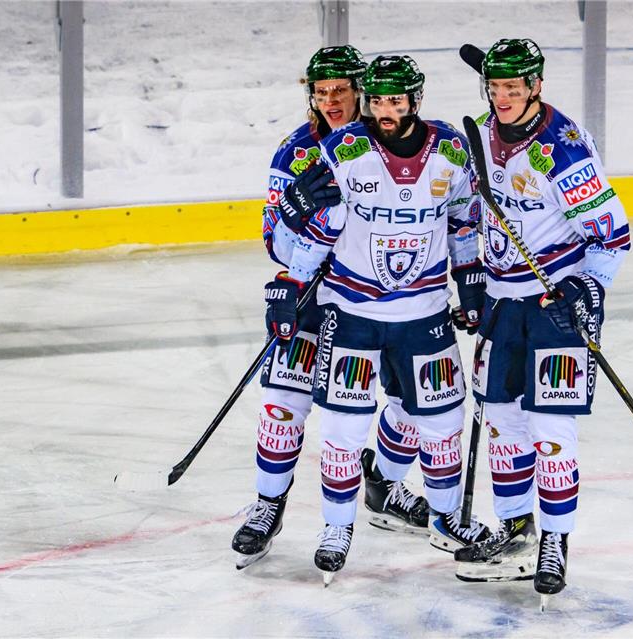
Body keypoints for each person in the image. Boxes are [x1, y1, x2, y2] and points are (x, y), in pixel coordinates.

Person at [278, 54, 491, 584]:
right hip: (351, 313)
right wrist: (290, 281)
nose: (385, 111)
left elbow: (465, 218)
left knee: (441, 422)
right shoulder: (342, 149)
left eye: (395, 101)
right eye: (376, 101)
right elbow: (315, 230)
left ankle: (447, 517)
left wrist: (470, 277)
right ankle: (336, 527)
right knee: (344, 428)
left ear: (415, 100)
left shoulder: (450, 150)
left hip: (423, 315)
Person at [231, 46, 428, 571]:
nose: (331, 101)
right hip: (314, 303)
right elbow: (275, 243)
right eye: (321, 93)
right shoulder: (295, 153)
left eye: (341, 90)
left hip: (385, 299)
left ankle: (384, 482)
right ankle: (267, 506)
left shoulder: (391, 141)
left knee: (414, 402)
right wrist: (295, 211)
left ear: (362, 90)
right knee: (281, 406)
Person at [451, 39, 631, 610]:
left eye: (513, 88)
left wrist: (585, 288)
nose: (502, 98)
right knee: (503, 424)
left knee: (551, 431)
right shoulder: (478, 136)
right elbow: (465, 213)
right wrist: (472, 276)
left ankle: (555, 539)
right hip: (503, 308)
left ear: (535, 87)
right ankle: (516, 529)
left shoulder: (563, 148)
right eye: (495, 88)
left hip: (554, 306)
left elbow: (612, 235)